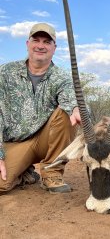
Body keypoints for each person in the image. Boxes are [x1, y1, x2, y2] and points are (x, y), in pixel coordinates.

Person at [0, 22, 81, 194]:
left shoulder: (61, 77)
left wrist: (76, 109)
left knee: (67, 114)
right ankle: (25, 173)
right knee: (2, 184)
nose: (40, 46)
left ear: (54, 47)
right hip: (14, 143)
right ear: (27, 44)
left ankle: (52, 172)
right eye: (36, 40)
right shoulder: (5, 72)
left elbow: (71, 99)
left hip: (44, 140)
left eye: (46, 42)